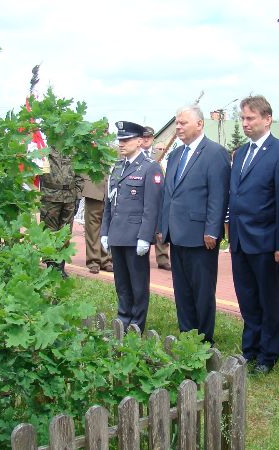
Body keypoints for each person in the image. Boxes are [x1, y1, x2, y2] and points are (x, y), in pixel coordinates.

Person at [228, 96, 279, 374]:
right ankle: (250, 349)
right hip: (241, 240)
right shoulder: (241, 153)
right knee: (246, 297)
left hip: (266, 241)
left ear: (267, 119)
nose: (245, 123)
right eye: (242, 118)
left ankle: (268, 355)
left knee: (267, 299)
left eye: (250, 118)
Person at [157, 105, 230, 344]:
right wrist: (163, 226)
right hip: (177, 233)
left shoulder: (214, 153)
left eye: (183, 123)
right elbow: (170, 194)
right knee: (183, 289)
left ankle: (204, 338)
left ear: (199, 124)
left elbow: (217, 196)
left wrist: (212, 230)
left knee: (202, 290)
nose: (178, 127)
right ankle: (186, 333)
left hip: (201, 236)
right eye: (177, 123)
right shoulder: (176, 154)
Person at [100, 121, 164, 331]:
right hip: (117, 233)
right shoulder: (118, 167)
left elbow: (152, 206)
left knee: (138, 284)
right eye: (120, 140)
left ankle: (137, 323)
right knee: (122, 283)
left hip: (135, 235)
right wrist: (105, 231)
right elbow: (109, 203)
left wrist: (145, 236)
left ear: (139, 141)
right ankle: (123, 318)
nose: (121, 144)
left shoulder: (149, 167)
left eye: (126, 140)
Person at [39, 145, 84, 278]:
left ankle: (60, 266)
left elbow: (80, 174)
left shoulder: (73, 149)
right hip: (50, 196)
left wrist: (78, 195)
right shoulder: (44, 149)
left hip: (69, 196)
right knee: (49, 232)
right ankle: (50, 267)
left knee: (65, 233)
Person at [141, 126, 171, 271]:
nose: (146, 139)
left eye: (149, 137)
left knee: (160, 226)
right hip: (140, 194)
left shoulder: (161, 154)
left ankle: (163, 258)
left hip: (158, 193)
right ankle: (141, 254)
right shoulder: (136, 154)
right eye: (144, 136)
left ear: (153, 138)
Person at [82, 175, 113, 274]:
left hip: (112, 187)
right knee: (92, 226)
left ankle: (107, 259)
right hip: (93, 185)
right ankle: (94, 261)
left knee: (109, 225)